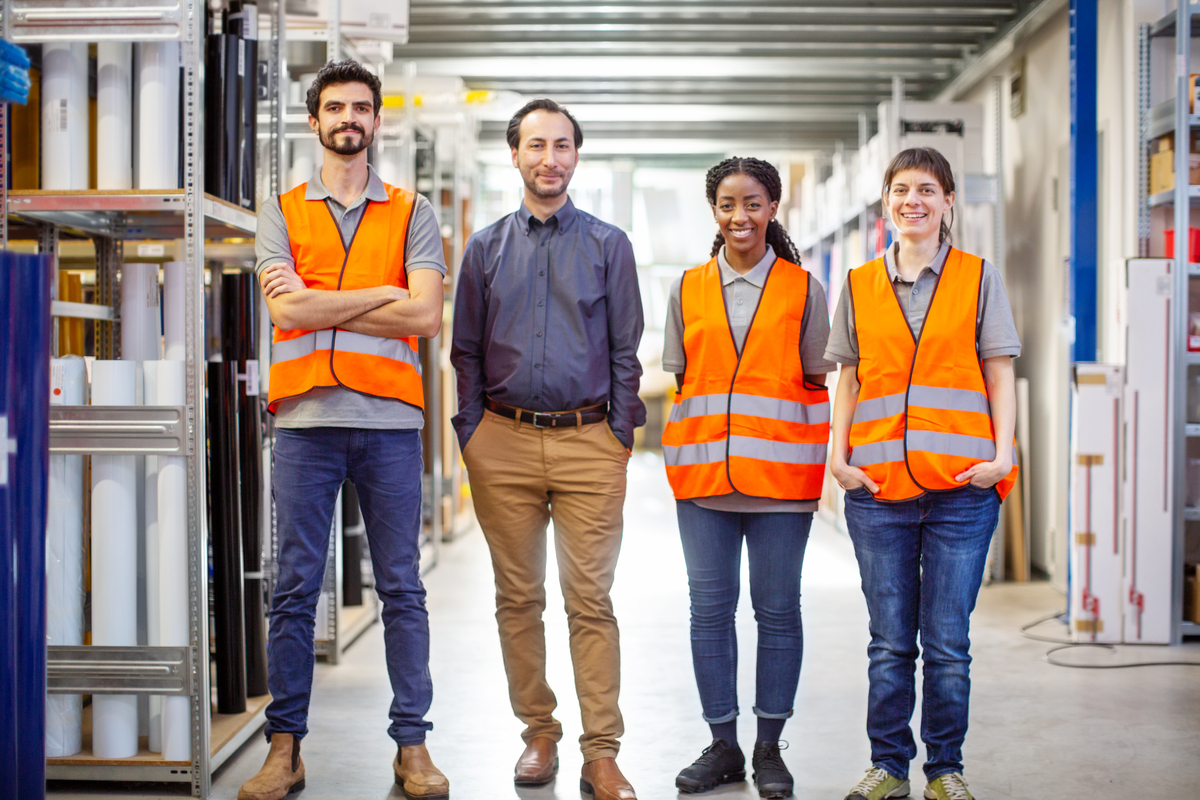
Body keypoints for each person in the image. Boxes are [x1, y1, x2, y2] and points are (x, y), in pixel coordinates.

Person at [241, 60, 449, 800]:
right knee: (294, 589)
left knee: (402, 590)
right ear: (314, 120)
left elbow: (424, 317)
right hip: (304, 422)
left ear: (377, 120)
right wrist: (378, 294)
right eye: (336, 107)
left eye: (361, 107)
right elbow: (285, 314)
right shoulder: (281, 209)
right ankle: (285, 748)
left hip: (389, 424)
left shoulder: (411, 210)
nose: (349, 119)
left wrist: (324, 297)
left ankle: (413, 749)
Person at [451, 98, 645, 800]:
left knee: (590, 599)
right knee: (517, 598)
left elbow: (628, 352)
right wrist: (471, 432)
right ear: (515, 155)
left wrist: (619, 436)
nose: (549, 158)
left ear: (575, 156)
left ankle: (602, 753)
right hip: (499, 442)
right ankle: (539, 732)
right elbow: (464, 350)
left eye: (562, 145)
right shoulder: (484, 248)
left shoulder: (607, 245)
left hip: (590, 441)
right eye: (536, 145)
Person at [826, 147, 1020, 800]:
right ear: (887, 202)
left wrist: (1003, 455)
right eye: (902, 189)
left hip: (963, 490)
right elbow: (849, 377)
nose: (913, 200)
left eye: (927, 190)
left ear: (947, 203)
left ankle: (945, 772)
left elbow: (999, 370)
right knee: (888, 644)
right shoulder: (857, 284)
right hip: (879, 489)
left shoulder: (977, 277)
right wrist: (839, 457)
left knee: (946, 645)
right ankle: (888, 767)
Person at [661, 157, 834, 800]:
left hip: (782, 482)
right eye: (729, 204)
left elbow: (817, 375)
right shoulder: (685, 288)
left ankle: (768, 747)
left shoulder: (803, 288)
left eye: (754, 204)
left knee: (777, 611)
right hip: (704, 479)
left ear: (773, 209)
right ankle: (723, 744)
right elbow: (681, 374)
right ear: (714, 211)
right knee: (709, 612)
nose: (741, 217)